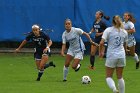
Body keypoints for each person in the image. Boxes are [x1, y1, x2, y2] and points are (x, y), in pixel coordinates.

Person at [99, 15, 128, 93]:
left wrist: (100, 52)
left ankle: (114, 89)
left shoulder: (108, 30)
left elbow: (101, 42)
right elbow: (125, 45)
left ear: (112, 22)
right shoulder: (124, 31)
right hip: (121, 55)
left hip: (112, 55)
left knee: (108, 76)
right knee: (120, 77)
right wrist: (125, 51)